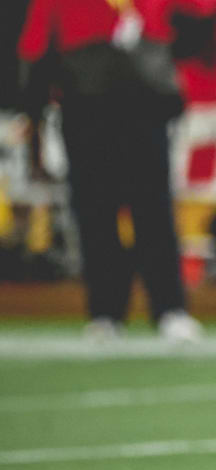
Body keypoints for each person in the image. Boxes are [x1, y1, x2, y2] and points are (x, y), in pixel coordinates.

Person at [17, 0, 203, 343]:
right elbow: (37, 49)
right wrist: (34, 118)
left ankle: (170, 308)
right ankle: (105, 312)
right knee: (95, 215)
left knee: (155, 213)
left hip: (143, 109)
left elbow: (192, 24)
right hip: (86, 107)